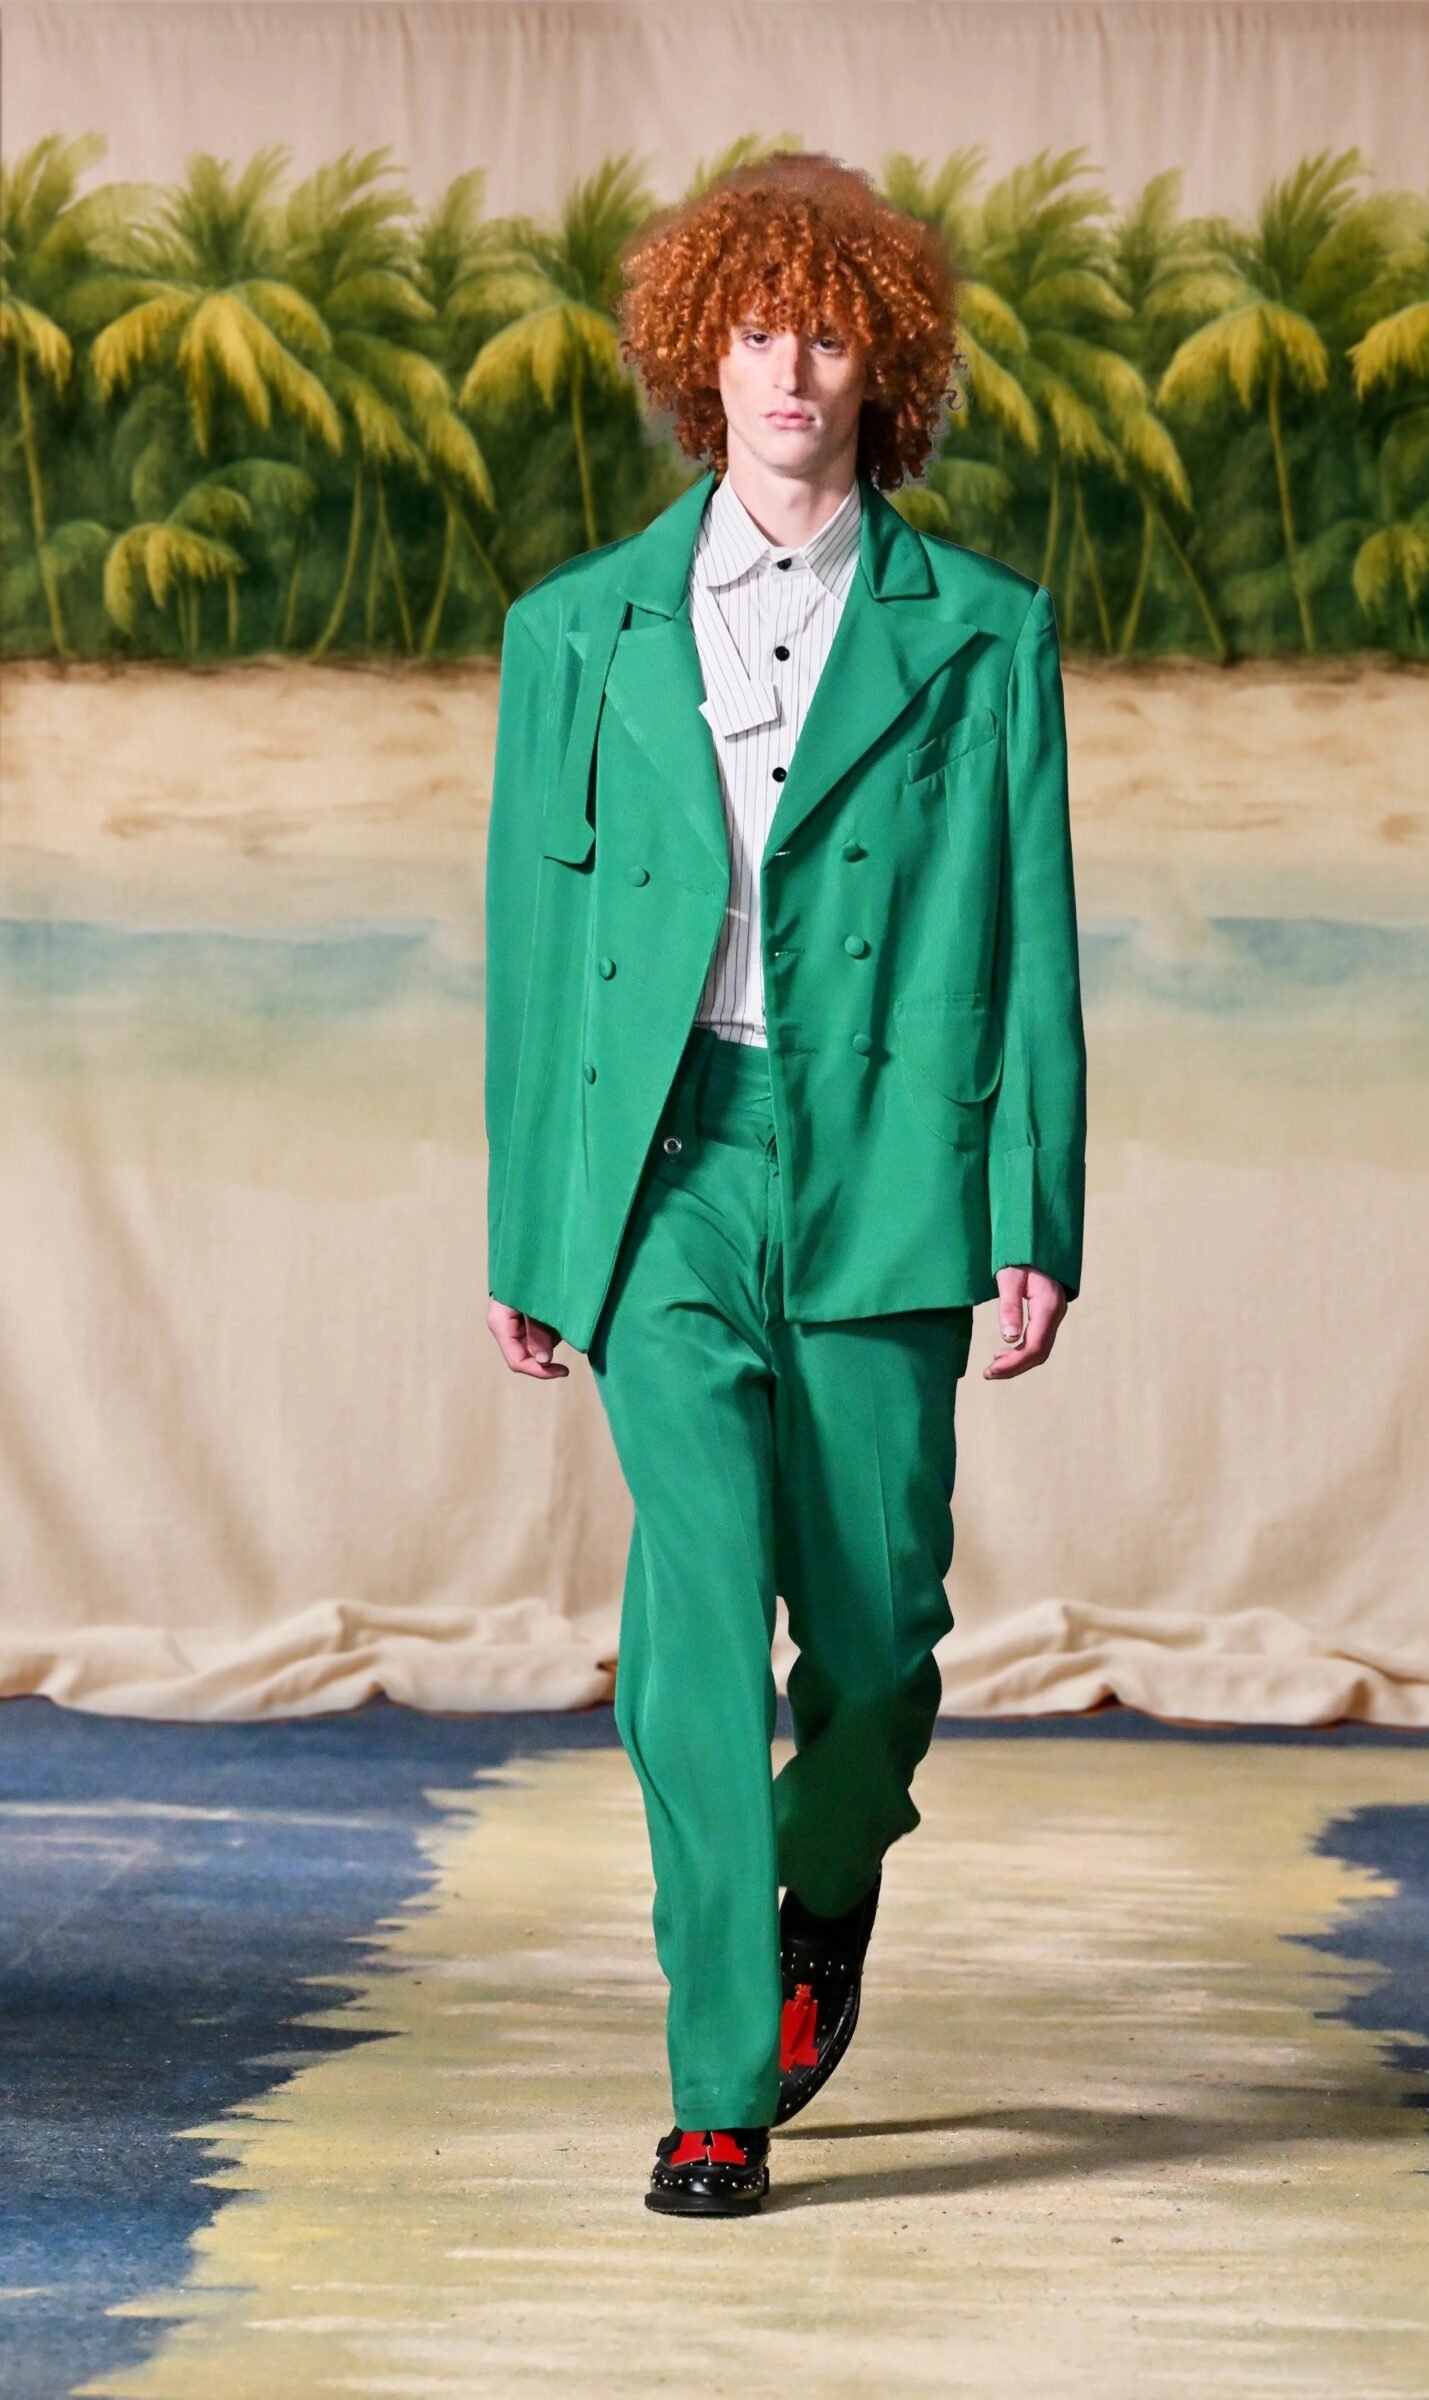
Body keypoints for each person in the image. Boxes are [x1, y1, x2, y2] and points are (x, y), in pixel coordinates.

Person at [483, 152, 1086, 2216]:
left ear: (880, 365)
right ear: (701, 355)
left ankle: (827, 1874)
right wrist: (534, 1232)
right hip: (666, 1174)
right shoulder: (571, 635)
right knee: (690, 1616)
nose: (790, 369)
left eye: (827, 332)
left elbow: (1029, 936)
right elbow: (537, 957)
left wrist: (1033, 1206)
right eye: (755, 329)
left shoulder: (982, 637)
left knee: (882, 1634)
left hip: (889, 1173)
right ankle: (718, 2080)